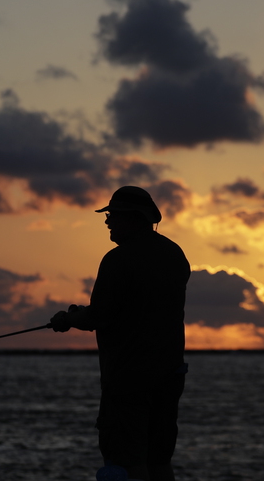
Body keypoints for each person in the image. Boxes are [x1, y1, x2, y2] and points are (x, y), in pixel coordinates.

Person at [51, 185, 190, 481]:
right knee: (159, 458)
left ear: (133, 218)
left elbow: (99, 316)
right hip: (170, 374)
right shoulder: (174, 254)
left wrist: (69, 318)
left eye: (113, 215)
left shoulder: (118, 259)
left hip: (128, 377)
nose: (107, 221)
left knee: (127, 459)